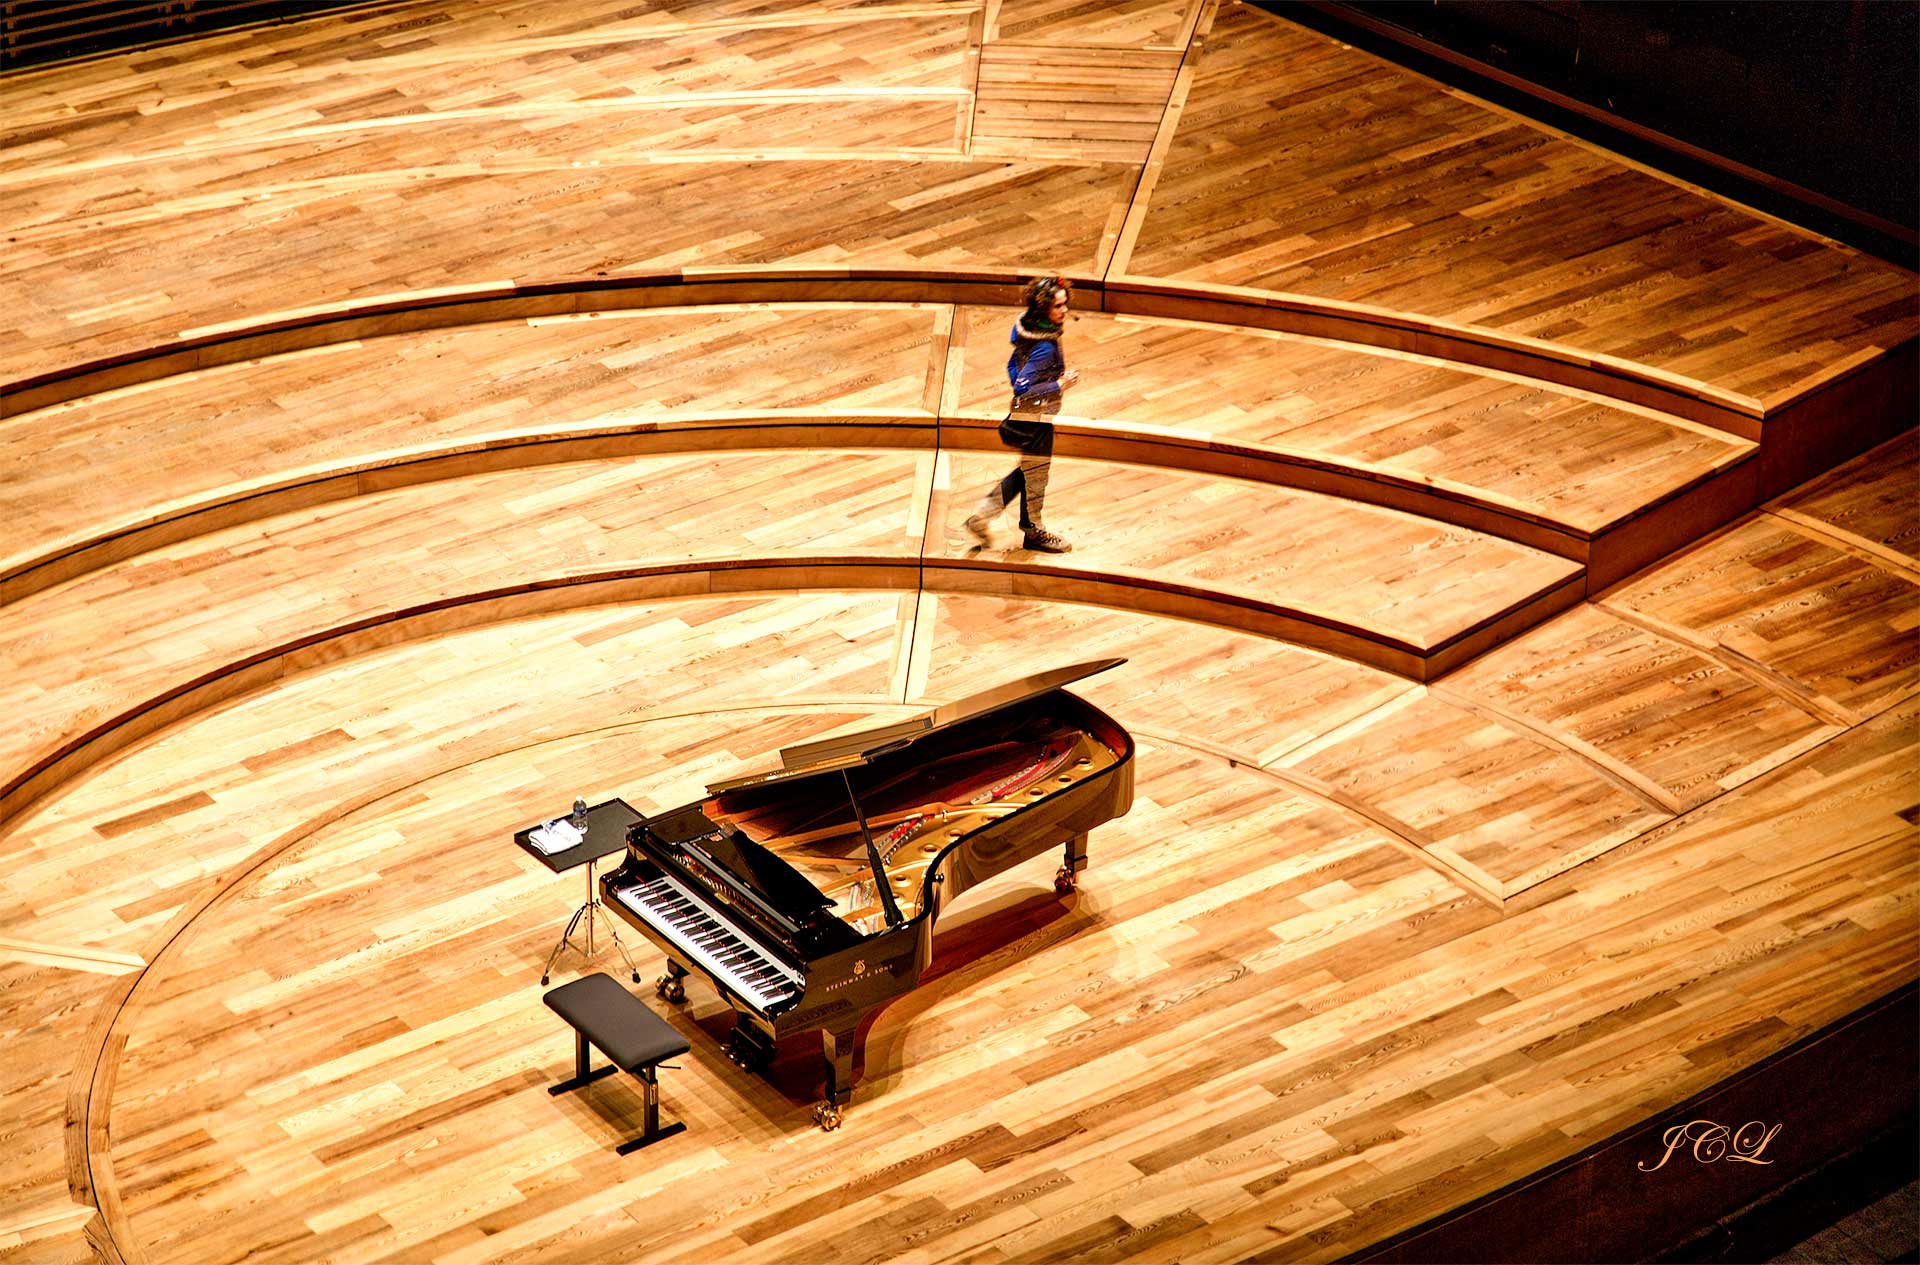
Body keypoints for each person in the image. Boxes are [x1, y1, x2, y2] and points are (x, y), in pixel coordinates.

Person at [964, 276, 1078, 553]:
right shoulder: (1044, 347)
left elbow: (1012, 367)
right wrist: (1058, 385)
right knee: (1035, 476)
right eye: (1058, 307)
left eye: (1065, 305)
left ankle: (981, 518)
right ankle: (1033, 532)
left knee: (1027, 472)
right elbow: (1022, 387)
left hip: (1026, 417)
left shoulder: (1028, 333)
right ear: (1043, 311)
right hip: (1034, 421)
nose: (1064, 311)